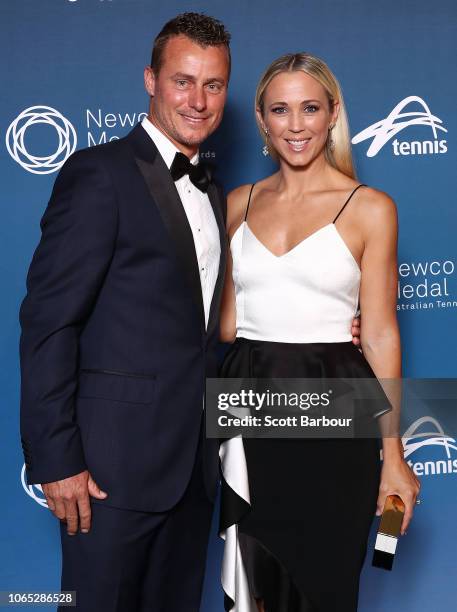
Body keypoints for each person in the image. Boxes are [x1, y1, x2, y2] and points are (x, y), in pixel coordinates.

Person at [19, 13, 230, 612]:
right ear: (150, 80)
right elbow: (49, 323)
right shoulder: (98, 174)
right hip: (107, 473)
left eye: (213, 85)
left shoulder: (213, 188)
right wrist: (57, 460)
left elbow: (199, 325)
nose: (198, 100)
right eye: (183, 81)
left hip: (191, 469)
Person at [218, 53, 421, 612]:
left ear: (333, 115)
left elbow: (380, 335)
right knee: (257, 584)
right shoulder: (236, 204)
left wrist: (394, 456)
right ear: (262, 121)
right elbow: (229, 325)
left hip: (336, 423)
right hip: (249, 412)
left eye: (310, 108)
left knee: (325, 588)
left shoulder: (370, 209)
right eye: (280, 110)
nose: (296, 124)